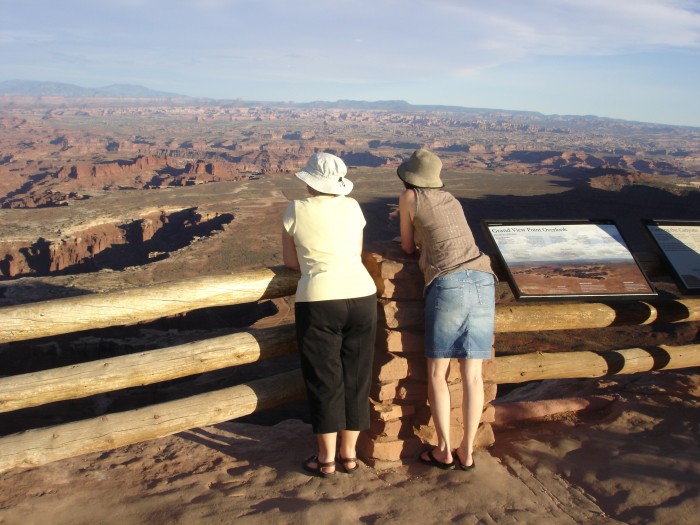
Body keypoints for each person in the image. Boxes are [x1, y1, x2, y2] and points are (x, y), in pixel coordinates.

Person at [396, 149, 496, 471]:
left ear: (411, 177)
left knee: (438, 373)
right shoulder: (452, 199)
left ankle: (443, 451)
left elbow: (407, 246)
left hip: (448, 282)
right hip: (483, 279)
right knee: (473, 376)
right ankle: (467, 452)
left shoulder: (409, 197)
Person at [282, 152, 378, 478]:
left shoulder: (296, 209)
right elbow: (358, 251)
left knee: (324, 379)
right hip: (363, 296)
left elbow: (292, 263)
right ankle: (349, 455)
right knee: (357, 377)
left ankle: (325, 460)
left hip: (319, 300)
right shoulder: (353, 207)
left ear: (310, 182)